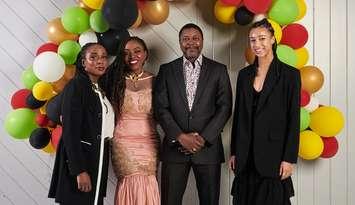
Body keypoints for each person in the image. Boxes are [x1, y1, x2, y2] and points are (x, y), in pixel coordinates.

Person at [154, 23, 233, 205]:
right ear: (180, 42)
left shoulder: (218, 70)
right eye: (186, 39)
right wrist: (181, 137)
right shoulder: (167, 70)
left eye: (195, 38)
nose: (191, 43)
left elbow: (225, 107)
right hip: (174, 151)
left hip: (208, 151)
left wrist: (202, 139)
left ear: (202, 41)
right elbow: (160, 108)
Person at [229, 18, 301, 205]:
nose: (257, 44)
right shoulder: (244, 76)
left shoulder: (290, 75)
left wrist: (288, 159)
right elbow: (239, 116)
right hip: (245, 156)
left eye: (262, 38)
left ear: (272, 40)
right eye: (252, 40)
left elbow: (293, 119)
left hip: (274, 156)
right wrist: (235, 151)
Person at [48, 43, 115, 205]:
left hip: (98, 157)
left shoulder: (98, 88)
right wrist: (79, 170)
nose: (100, 61)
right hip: (82, 161)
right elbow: (70, 131)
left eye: (104, 57)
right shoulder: (76, 85)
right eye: (93, 57)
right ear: (83, 63)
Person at [109, 36, 160, 205]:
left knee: (148, 182)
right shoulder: (113, 80)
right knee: (129, 183)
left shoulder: (156, 81)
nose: (132, 56)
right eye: (126, 53)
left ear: (146, 54)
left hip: (149, 143)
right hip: (123, 143)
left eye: (137, 51)